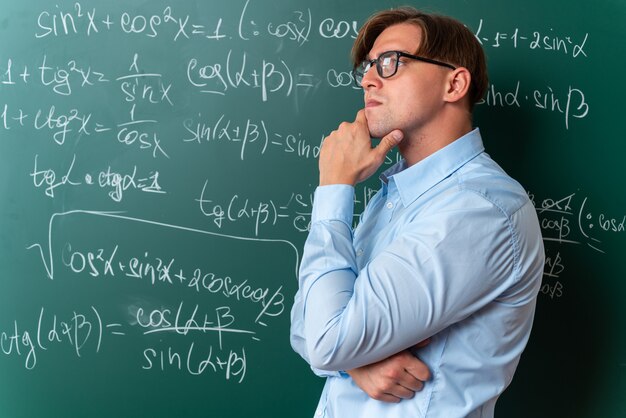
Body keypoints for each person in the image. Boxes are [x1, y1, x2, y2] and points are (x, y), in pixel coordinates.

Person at [290, 6, 545, 418]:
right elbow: (304, 328)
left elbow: (324, 339)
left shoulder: (479, 209)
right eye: (368, 67)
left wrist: (334, 188)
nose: (369, 79)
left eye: (390, 63)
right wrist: (356, 363)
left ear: (454, 84)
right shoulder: (395, 196)